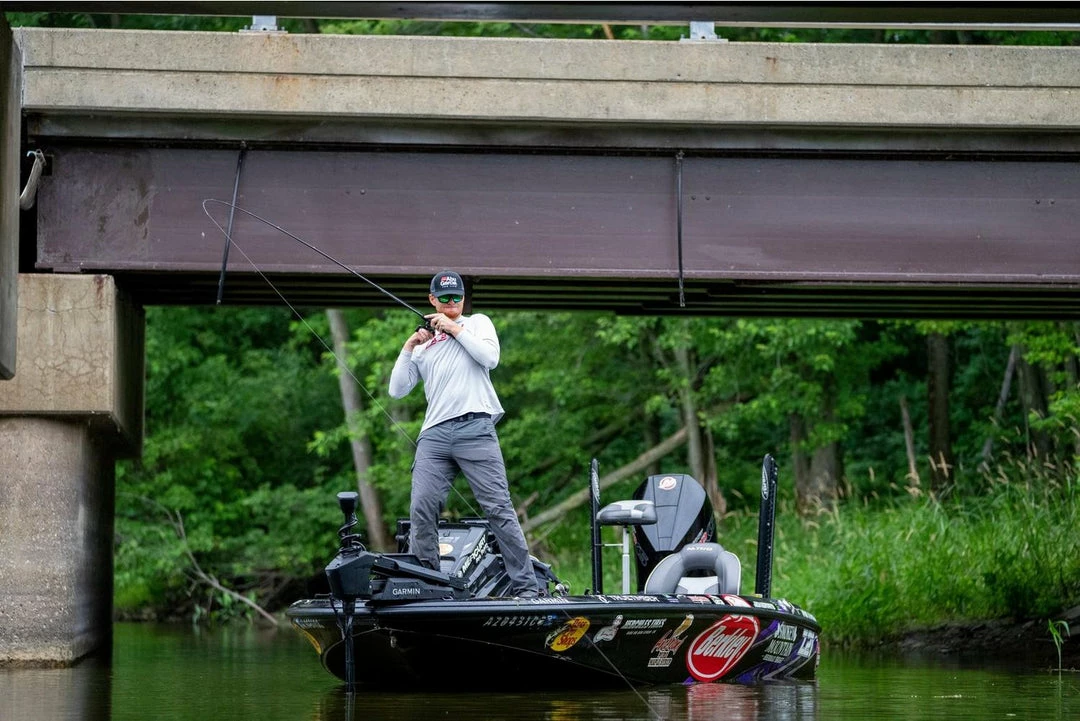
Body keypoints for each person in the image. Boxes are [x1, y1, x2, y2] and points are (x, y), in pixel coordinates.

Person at [388, 270, 541, 598]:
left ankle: (527, 588)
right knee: (421, 507)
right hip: (434, 435)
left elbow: (490, 358)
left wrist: (454, 328)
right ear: (432, 300)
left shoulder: (477, 323)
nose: (451, 302)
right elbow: (397, 390)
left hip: (476, 428)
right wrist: (410, 345)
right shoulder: (424, 346)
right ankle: (428, 585)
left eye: (456, 297)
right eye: (444, 298)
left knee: (498, 507)